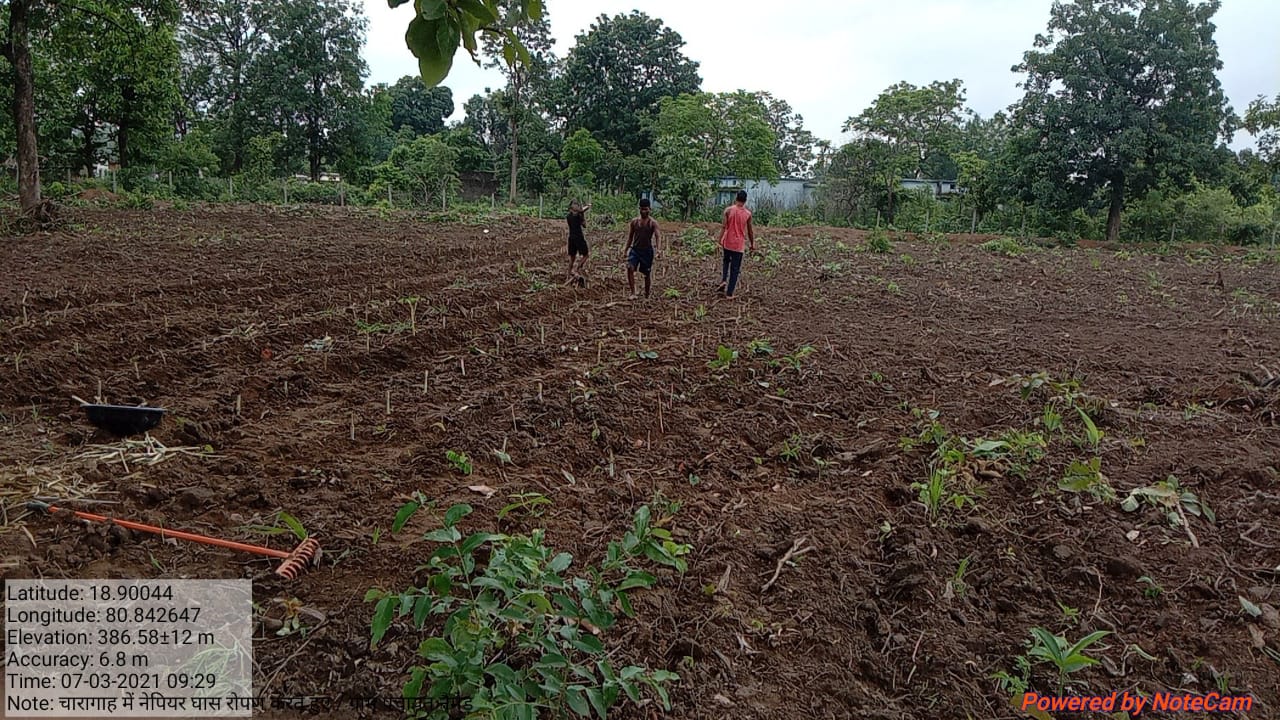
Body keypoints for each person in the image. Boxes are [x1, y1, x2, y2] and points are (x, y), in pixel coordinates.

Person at [716, 190, 755, 299]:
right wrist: (752, 244)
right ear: (745, 201)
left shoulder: (728, 210)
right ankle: (729, 293)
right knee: (735, 269)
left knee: (726, 261)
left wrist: (719, 241)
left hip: (727, 242)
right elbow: (750, 231)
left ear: (736, 198)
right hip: (738, 245)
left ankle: (723, 280)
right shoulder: (748, 214)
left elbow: (724, 227)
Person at [624, 198, 661, 299]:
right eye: (642, 209)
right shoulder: (634, 222)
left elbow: (658, 236)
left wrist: (658, 250)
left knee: (646, 273)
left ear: (650, 209)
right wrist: (626, 250)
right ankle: (633, 293)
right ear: (639, 209)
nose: (644, 211)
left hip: (647, 251)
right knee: (629, 268)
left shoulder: (653, 223)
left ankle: (647, 295)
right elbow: (630, 237)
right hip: (635, 250)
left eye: (646, 209)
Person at [566, 200, 591, 285]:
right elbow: (584, 224)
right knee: (586, 255)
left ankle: (568, 275)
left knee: (572, 258)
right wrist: (586, 208)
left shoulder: (569, 216)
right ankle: (577, 269)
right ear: (572, 207)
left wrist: (582, 214)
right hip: (579, 238)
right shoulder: (575, 216)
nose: (577, 206)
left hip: (571, 238)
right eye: (575, 205)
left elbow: (584, 224)